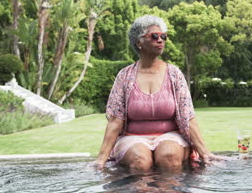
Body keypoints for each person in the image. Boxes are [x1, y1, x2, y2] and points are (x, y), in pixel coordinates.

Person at [94, 15, 224, 172]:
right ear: (138, 42)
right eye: (154, 36)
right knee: (140, 161)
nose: (160, 40)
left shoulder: (174, 74)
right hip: (132, 137)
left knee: (169, 157)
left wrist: (205, 152)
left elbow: (187, 116)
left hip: (170, 136)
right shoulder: (124, 76)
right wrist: (100, 159)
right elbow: (115, 121)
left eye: (163, 36)